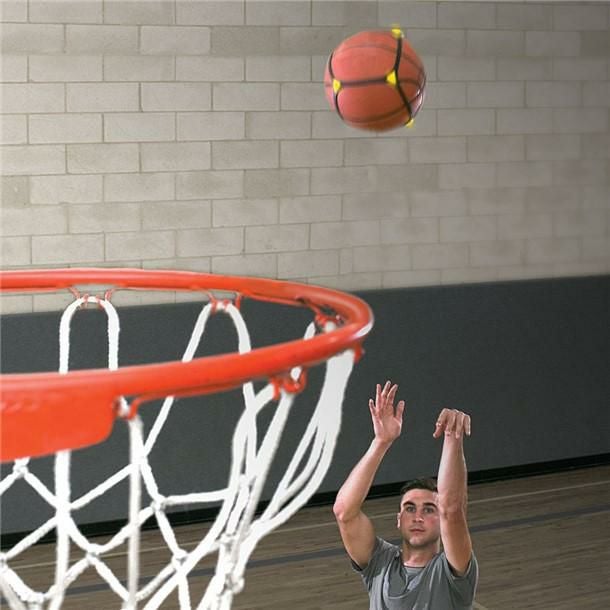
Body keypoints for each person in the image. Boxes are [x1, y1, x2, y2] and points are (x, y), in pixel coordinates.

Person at [333, 381, 478, 609]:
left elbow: (452, 508)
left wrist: (453, 437)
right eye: (410, 508)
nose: (417, 517)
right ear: (399, 519)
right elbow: (344, 511)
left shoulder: (452, 572)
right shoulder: (379, 562)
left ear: (441, 521)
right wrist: (381, 442)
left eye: (429, 509)